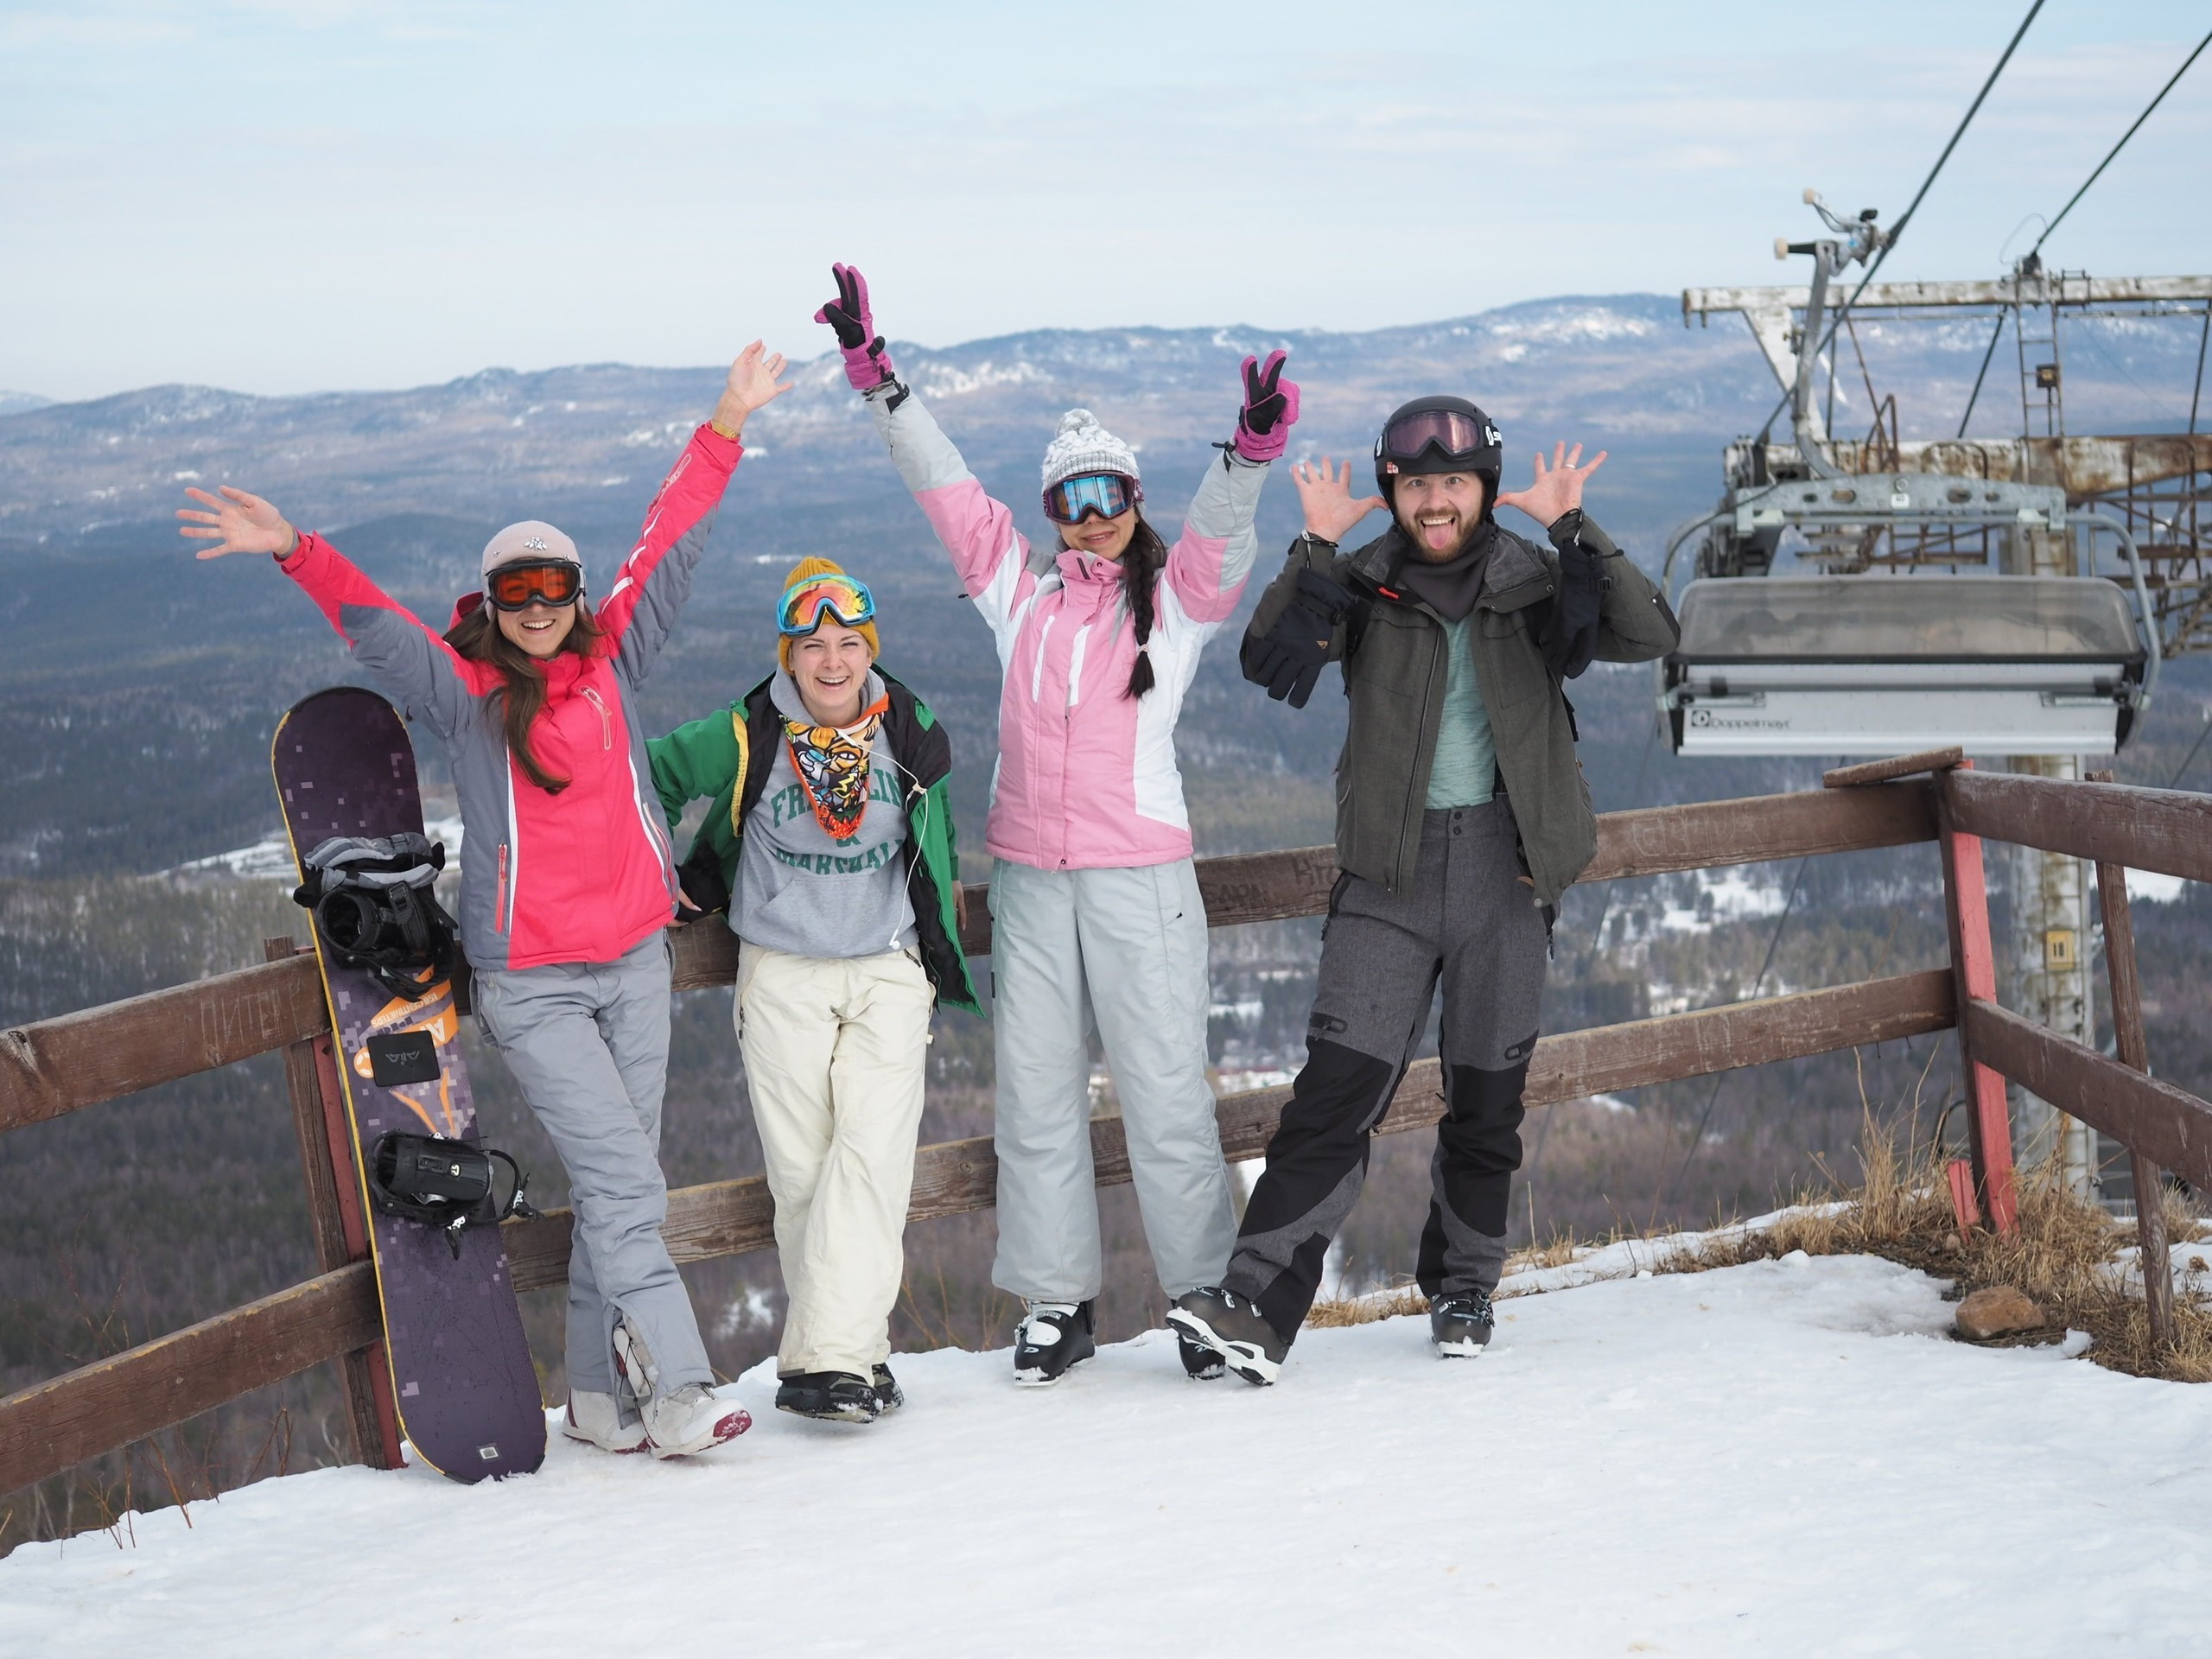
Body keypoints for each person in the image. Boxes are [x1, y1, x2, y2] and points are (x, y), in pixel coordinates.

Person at [178, 340, 793, 1454]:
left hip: (636, 965)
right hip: (535, 982)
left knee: (621, 1191)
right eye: (517, 591)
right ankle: (681, 1391)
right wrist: (294, 551)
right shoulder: (463, 698)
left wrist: (725, 422)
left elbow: (672, 545)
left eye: (556, 585)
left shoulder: (615, 664)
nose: (540, 606)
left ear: (574, 593)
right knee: (625, 1183)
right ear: (494, 603)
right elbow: (375, 626)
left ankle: (602, 1406)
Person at [815, 262, 1298, 1384]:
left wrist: (1247, 455)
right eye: (1070, 503)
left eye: (1108, 499)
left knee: (1167, 1086)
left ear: (1133, 503)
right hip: (1032, 880)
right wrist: (882, 383)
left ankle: (1201, 1300)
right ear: (1050, 514)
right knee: (1033, 1093)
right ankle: (1055, 1302)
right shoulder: (1015, 594)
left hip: (1140, 882)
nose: (1089, 521)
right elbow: (946, 491)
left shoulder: (1170, 606)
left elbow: (1221, 544)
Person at [1167, 397, 1681, 1384]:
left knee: (1487, 1099)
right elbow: (1267, 660)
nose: (1434, 501)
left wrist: (1573, 525)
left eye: (1453, 482)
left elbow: (1646, 631)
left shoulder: (1537, 581)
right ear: (1391, 494)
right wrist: (1314, 544)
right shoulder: (1360, 587)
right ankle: (1257, 1310)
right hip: (1387, 878)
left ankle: (1461, 1289)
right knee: (1333, 1097)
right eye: (1414, 485)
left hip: (1506, 868)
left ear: (1484, 489)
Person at [648, 558, 982, 1424]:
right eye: (811, 645)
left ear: (868, 648)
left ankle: (821, 1361)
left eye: (848, 643)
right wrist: (658, 873)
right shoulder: (744, 732)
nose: (832, 661)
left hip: (885, 967)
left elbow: (935, 843)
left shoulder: (909, 727)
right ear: (786, 655)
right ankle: (856, 1360)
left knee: (871, 1156)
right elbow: (643, 777)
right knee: (802, 1175)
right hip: (782, 970)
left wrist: (936, 950)